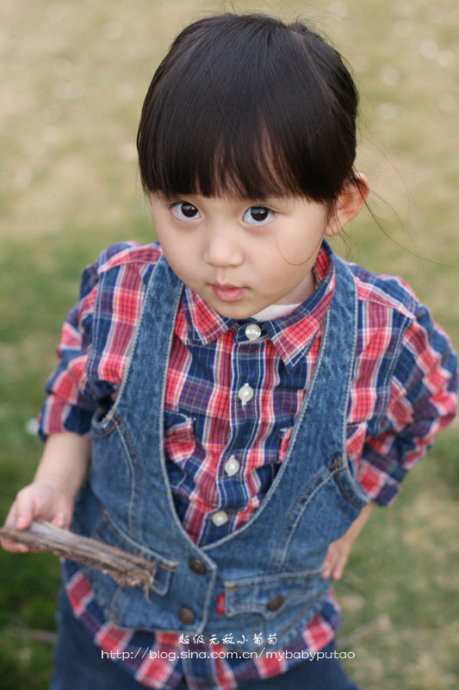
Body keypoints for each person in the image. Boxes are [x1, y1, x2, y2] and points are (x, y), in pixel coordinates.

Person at [1, 12, 457, 690]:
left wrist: (354, 512)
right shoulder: (122, 291)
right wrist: (54, 481)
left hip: (278, 646)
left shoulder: (384, 332)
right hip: (116, 636)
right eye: (185, 207)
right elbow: (76, 395)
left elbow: (425, 409)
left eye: (257, 213)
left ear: (338, 205)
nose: (217, 252)